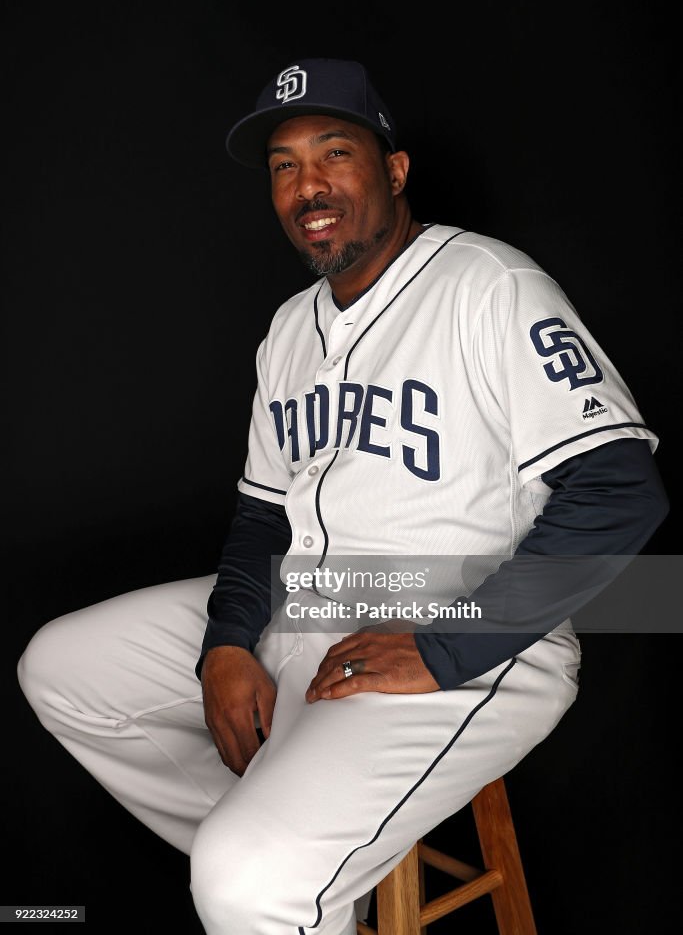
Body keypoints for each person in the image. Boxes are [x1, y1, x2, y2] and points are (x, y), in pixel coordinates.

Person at [18, 57, 668, 935]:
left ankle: (273, 877)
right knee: (62, 668)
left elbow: (620, 488)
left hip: (460, 629)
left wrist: (449, 644)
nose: (307, 185)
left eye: (334, 154)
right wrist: (225, 643)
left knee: (246, 879)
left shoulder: (489, 286)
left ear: (393, 170)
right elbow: (258, 516)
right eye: (285, 166)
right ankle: (305, 868)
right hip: (311, 606)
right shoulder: (289, 330)